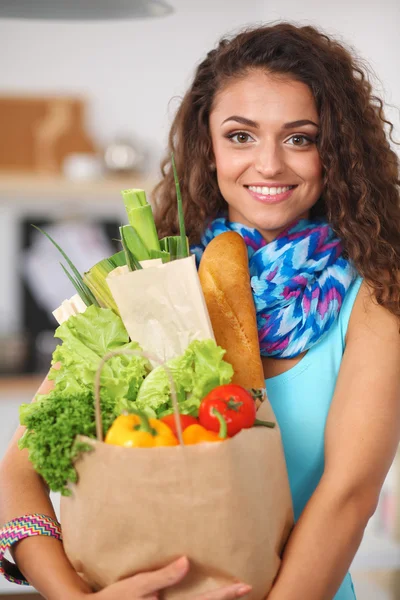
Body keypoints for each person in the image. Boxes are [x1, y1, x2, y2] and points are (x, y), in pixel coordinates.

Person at [1, 21, 399, 600]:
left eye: (300, 138)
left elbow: (348, 497)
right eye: (240, 136)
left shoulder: (377, 296)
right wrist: (73, 598)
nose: (268, 165)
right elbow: (19, 472)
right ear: (208, 149)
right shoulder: (145, 283)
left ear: (335, 152)